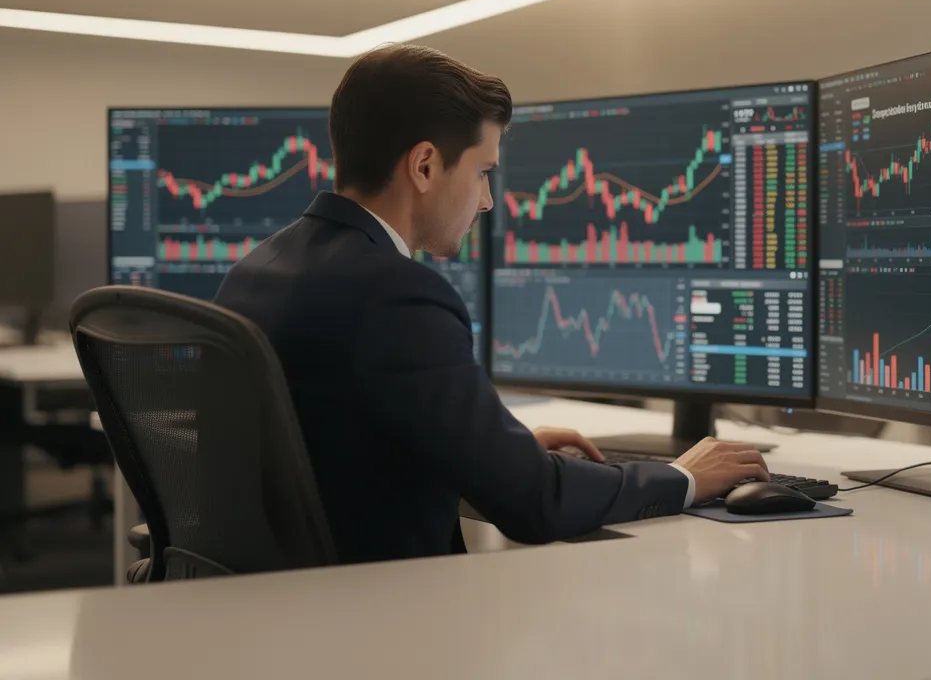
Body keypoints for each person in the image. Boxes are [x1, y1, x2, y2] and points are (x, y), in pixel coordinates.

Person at [214, 44, 769, 564]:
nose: (485, 200)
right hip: (377, 612)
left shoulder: (257, 270)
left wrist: (492, 452)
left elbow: (333, 452)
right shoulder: (398, 295)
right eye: (482, 172)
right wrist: (683, 477)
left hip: (282, 604)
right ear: (424, 165)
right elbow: (535, 503)